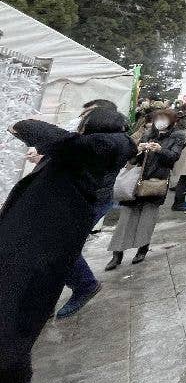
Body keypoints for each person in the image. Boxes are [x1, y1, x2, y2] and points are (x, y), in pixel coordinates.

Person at [0, 108, 133, 383]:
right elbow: (66, 150)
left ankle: (85, 285)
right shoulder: (86, 153)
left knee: (11, 334)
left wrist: (24, 124)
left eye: (82, 121)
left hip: (39, 249)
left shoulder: (105, 145)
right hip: (32, 243)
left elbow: (58, 140)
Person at [54, 100, 134, 318]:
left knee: (61, 246)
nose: (83, 117)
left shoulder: (107, 143)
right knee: (59, 245)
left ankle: (85, 284)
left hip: (91, 200)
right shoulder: (95, 140)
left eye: (88, 113)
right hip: (79, 199)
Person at [106, 108, 185, 270]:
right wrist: (139, 149)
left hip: (157, 179)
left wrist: (160, 150)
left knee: (147, 218)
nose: (160, 122)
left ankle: (142, 248)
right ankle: (117, 253)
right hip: (136, 180)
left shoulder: (178, 136)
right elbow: (133, 158)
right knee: (126, 217)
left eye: (164, 118)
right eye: (158, 118)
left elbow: (173, 157)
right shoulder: (148, 133)